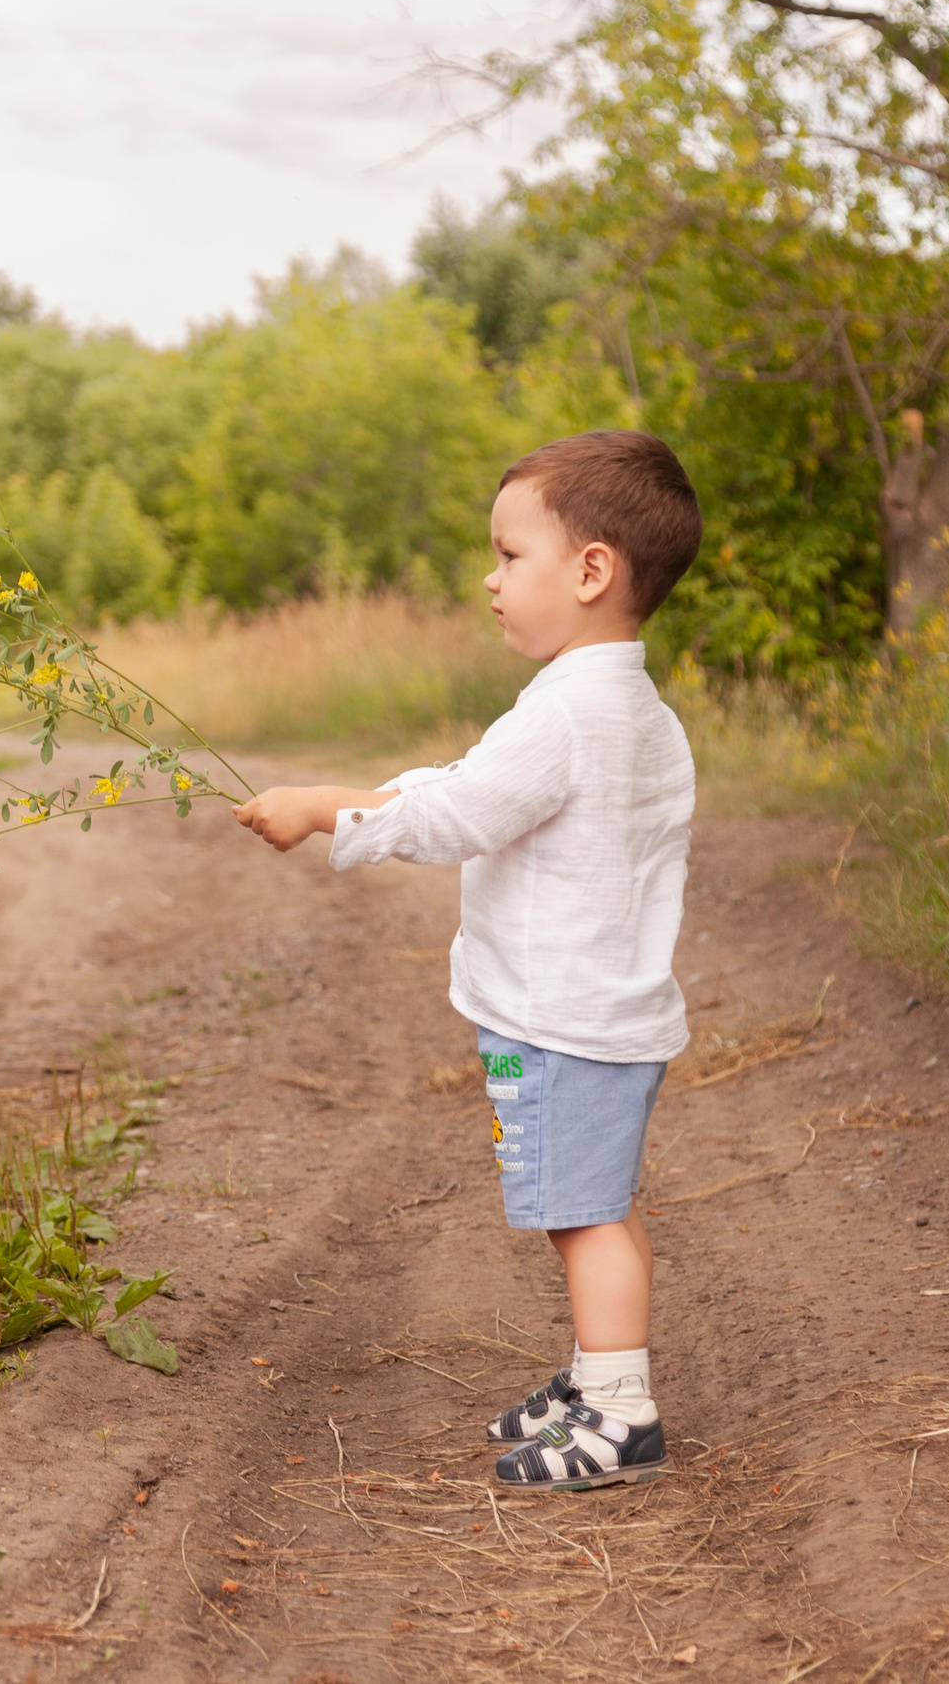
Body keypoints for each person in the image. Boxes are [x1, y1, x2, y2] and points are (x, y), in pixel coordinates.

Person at [231, 430, 700, 1491]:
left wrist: (325, 809)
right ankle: (595, 1378)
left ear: (591, 571)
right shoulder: (624, 707)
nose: (488, 581)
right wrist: (371, 794)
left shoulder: (571, 710)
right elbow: (472, 781)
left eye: (508, 555)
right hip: (600, 1013)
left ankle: (619, 1412)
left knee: (581, 1216)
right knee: (592, 1204)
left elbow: (461, 815)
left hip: (561, 1021)